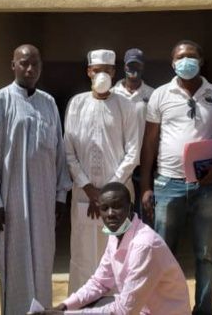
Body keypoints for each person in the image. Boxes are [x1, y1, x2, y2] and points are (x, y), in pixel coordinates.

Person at [0, 44, 72, 315]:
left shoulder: (48, 102)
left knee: (43, 263)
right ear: (13, 65)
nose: (30, 69)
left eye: (35, 64)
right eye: (24, 63)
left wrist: (60, 196)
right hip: (10, 201)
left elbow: (58, 151)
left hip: (44, 201)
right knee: (14, 264)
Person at [140, 40, 212, 315]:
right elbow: (150, 142)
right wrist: (145, 185)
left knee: (207, 255)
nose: (186, 61)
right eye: (180, 57)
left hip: (207, 187)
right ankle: (167, 309)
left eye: (191, 56)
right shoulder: (160, 95)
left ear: (201, 61)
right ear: (172, 62)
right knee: (164, 254)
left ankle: (203, 310)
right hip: (168, 184)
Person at [35, 182, 190, 315]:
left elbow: (124, 311)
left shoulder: (144, 245)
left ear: (130, 208)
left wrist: (67, 314)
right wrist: (65, 306)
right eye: (105, 208)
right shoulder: (116, 234)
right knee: (94, 303)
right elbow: (99, 282)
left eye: (116, 207)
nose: (110, 214)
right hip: (142, 310)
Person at [64, 49, 141, 293]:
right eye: (97, 70)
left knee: (118, 255)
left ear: (114, 72)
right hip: (83, 197)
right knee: (84, 257)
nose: (102, 75)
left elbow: (133, 153)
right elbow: (69, 152)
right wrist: (89, 188)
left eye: (107, 71)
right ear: (88, 72)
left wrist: (108, 192)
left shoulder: (126, 105)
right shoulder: (77, 103)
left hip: (117, 196)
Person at [111, 48, 155, 216]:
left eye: (137, 65)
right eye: (130, 66)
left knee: (143, 211)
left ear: (143, 67)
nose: (133, 70)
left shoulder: (152, 95)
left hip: (143, 163)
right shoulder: (112, 93)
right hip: (117, 161)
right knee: (119, 210)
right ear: (124, 67)